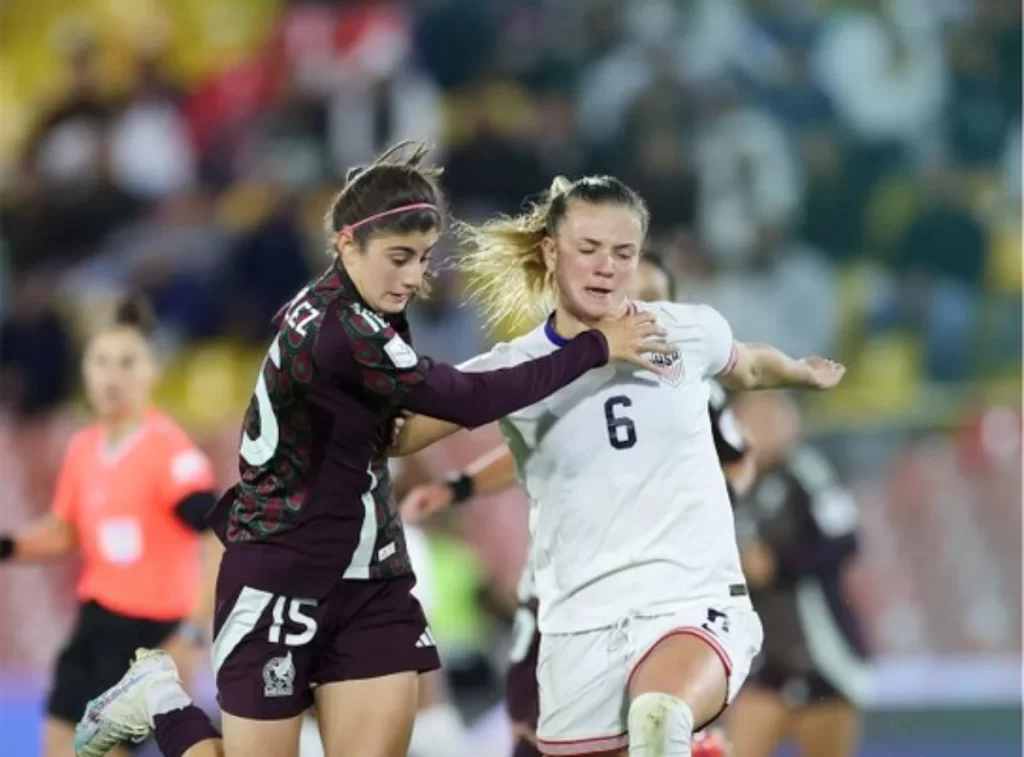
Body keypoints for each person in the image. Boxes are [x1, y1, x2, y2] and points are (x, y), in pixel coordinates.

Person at [73, 144, 670, 757]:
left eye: (422, 259)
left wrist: (525, 368)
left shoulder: (367, 308)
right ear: (347, 245)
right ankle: (159, 697)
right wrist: (592, 349)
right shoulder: (341, 332)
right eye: (398, 258)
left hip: (372, 580)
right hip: (281, 571)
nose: (412, 277)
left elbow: (401, 429)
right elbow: (463, 401)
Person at [389, 174, 846, 757]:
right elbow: (404, 435)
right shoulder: (515, 369)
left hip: (689, 604)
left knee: (659, 717)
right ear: (552, 252)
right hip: (577, 630)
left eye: (623, 252)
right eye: (589, 249)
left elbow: (749, 365)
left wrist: (800, 371)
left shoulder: (686, 331)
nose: (607, 267)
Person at [400, 253, 756, 757]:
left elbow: (740, 458)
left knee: (651, 712)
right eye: (632, 297)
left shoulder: (688, 386)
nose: (639, 309)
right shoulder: (570, 371)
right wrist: (462, 486)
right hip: (563, 592)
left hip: (653, 584)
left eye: (654, 299)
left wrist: (710, 509)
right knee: (532, 729)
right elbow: (528, 445)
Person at [0, 298, 220, 757]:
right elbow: (65, 531)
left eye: (126, 362)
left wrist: (193, 634)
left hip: (152, 633)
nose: (111, 376)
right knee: (58, 742)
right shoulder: (84, 447)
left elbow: (216, 534)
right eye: (100, 362)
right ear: (85, 372)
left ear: (150, 374)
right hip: (96, 622)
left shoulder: (167, 450)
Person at [726, 392, 868, 757]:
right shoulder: (724, 479)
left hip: (821, 656)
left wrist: (777, 563)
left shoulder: (806, 470)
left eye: (776, 417)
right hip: (761, 657)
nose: (766, 427)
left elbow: (846, 539)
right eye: (757, 417)